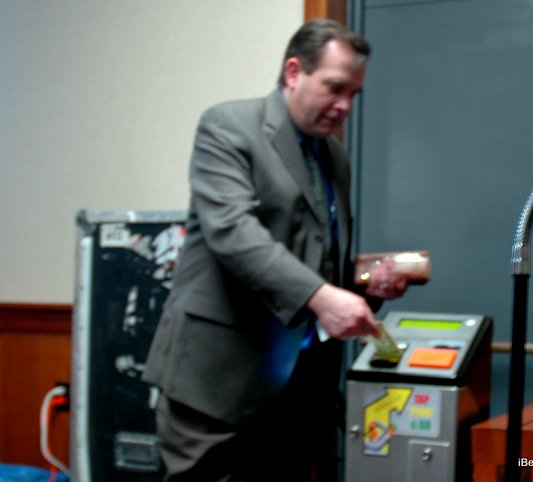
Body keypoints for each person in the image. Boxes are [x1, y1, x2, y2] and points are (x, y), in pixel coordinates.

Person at [142, 18, 409, 481]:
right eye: (335, 88)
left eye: (353, 95)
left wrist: (366, 287)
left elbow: (317, 257)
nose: (344, 106)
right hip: (215, 381)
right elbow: (234, 233)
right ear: (293, 72)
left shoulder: (334, 157)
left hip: (296, 388)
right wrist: (324, 297)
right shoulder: (228, 126)